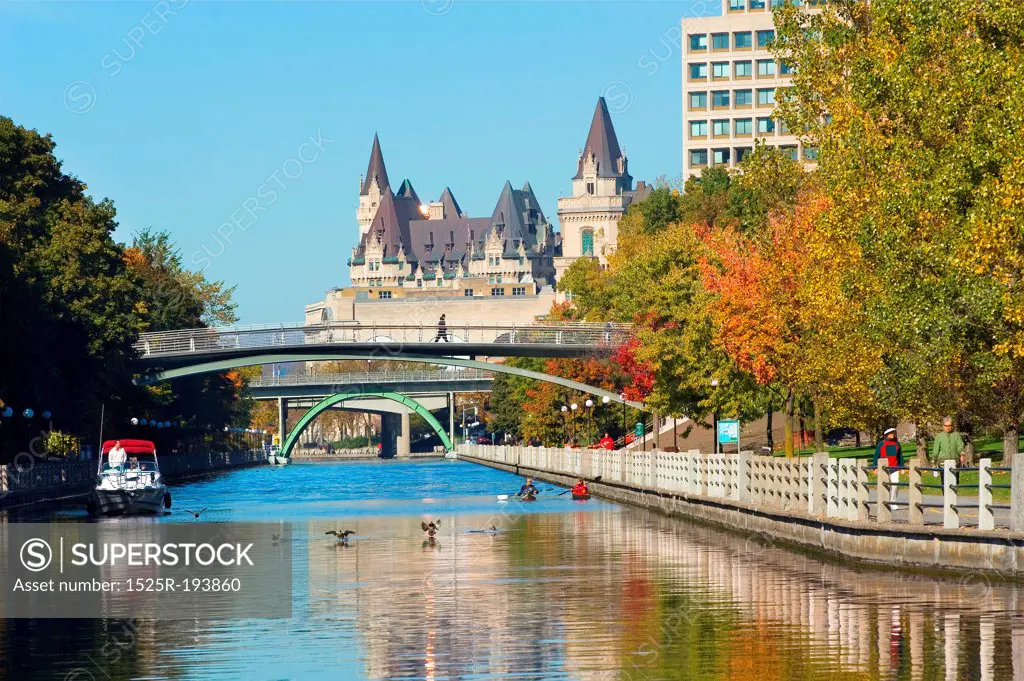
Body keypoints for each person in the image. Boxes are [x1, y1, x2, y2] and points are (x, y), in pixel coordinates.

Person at [874, 428, 904, 508]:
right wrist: (875, 467)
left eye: (894, 433)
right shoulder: (881, 444)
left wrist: (902, 467)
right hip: (884, 469)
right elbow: (876, 456)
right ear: (886, 435)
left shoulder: (897, 444)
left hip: (894, 468)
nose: (893, 434)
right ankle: (883, 501)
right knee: (884, 485)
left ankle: (893, 501)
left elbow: (900, 456)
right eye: (891, 433)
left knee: (895, 483)